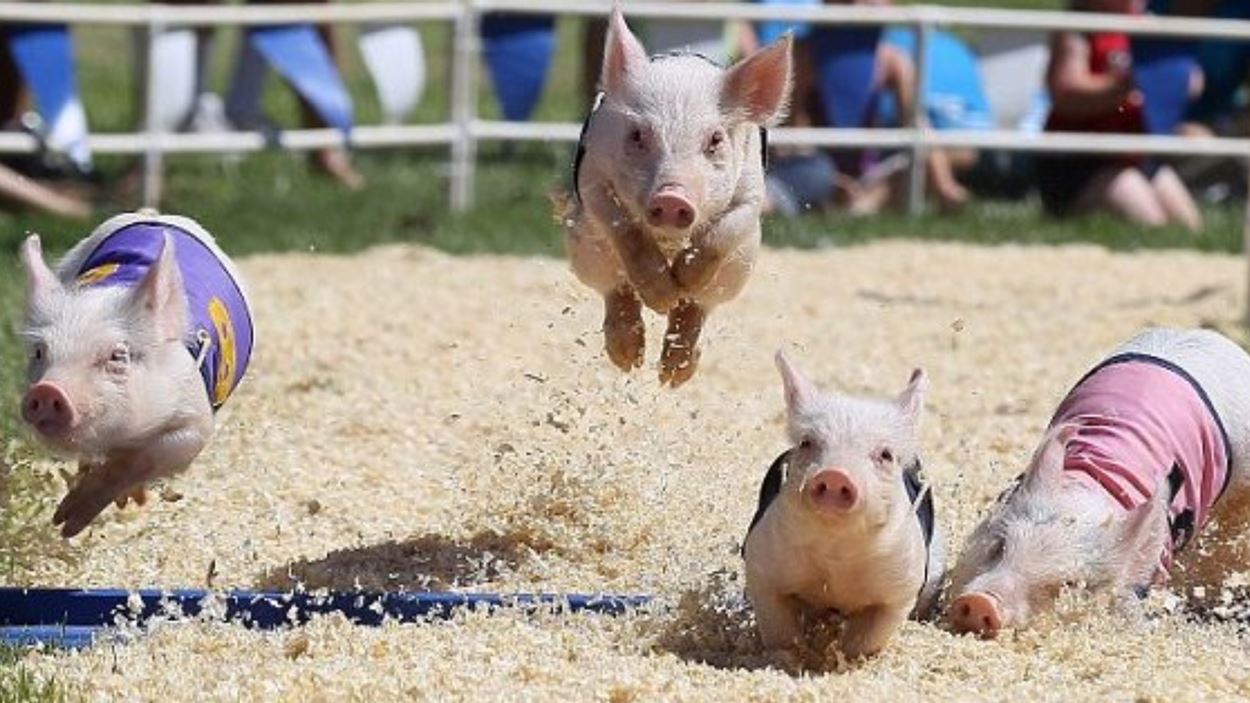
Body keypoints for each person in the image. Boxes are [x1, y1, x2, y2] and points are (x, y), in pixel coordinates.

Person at [1035, 0, 1203, 231]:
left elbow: (1191, 79)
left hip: (1135, 154)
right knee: (1152, 224)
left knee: (1190, 228)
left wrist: (1179, 80)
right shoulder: (1079, 28)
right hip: (1084, 160)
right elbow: (1065, 93)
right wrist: (1121, 88)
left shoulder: (1149, 27)